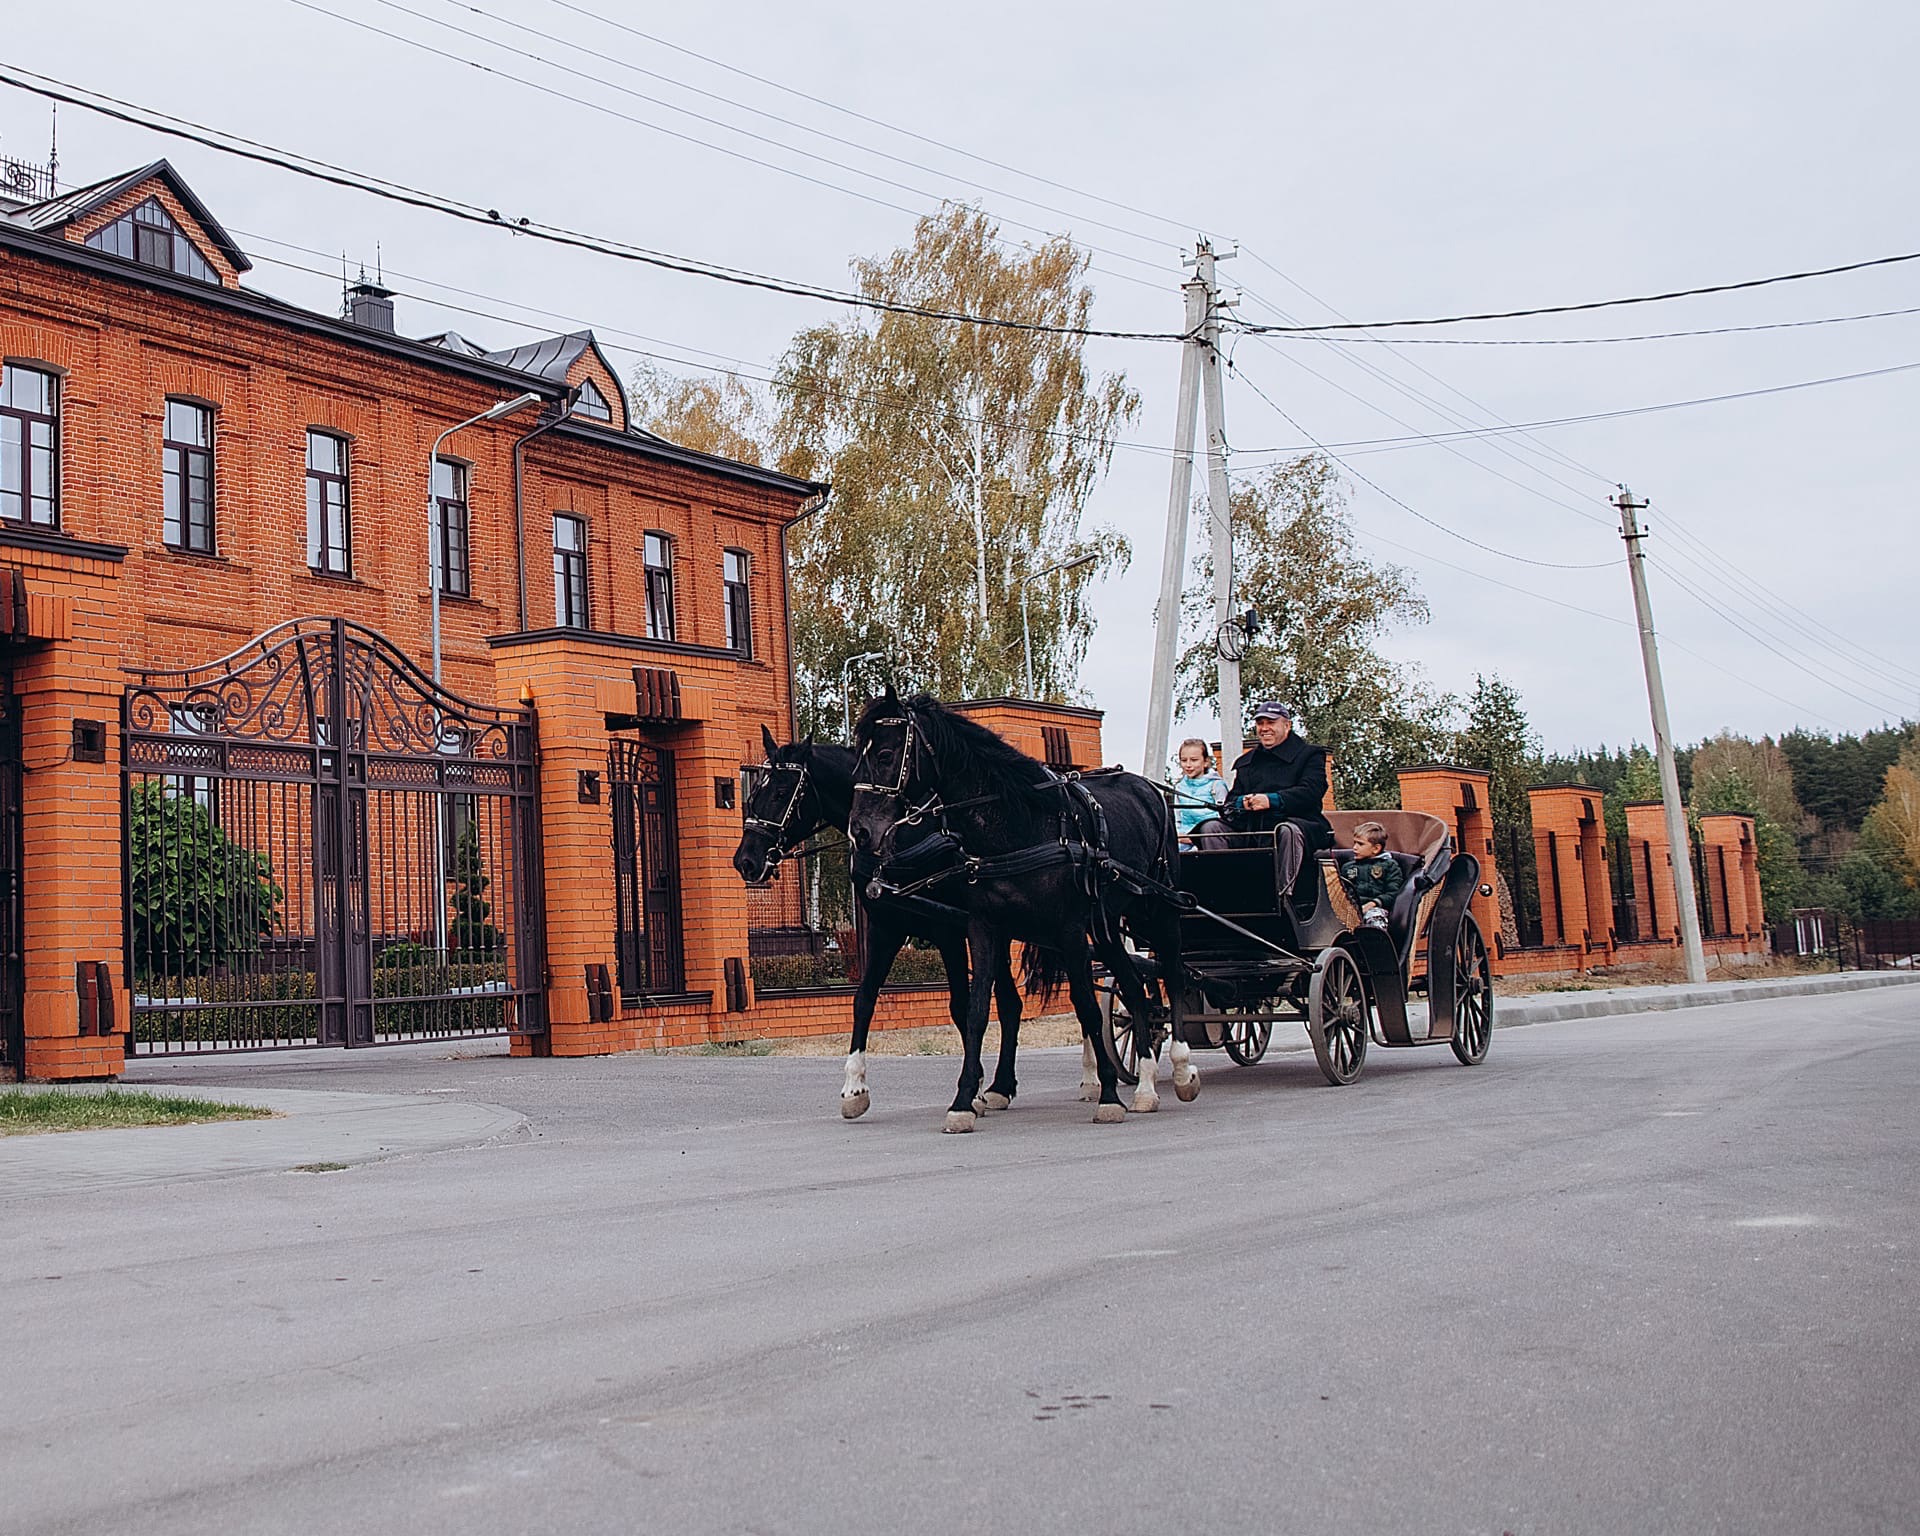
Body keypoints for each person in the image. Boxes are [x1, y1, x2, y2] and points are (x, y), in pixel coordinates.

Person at [1222, 700, 1333, 891]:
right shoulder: (1247, 762)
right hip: (1251, 829)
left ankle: (1284, 895)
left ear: (1287, 725)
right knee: (1212, 828)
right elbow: (1230, 801)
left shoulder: (1309, 755)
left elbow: (1311, 791)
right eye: (1260, 723)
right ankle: (1225, 891)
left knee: (1287, 831)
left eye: (1270, 722)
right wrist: (1243, 803)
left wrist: (1271, 801)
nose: (1264, 728)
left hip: (1300, 824)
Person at [1339, 820, 1406, 932]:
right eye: (1354, 843)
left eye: (1360, 844)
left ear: (1376, 848)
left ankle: (1377, 946)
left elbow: (1394, 892)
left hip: (1376, 908)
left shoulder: (1389, 866)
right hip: (1351, 909)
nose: (1354, 847)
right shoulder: (1348, 867)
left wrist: (1373, 903)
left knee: (1375, 919)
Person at [1171, 737, 1228, 848]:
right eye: (1184, 760)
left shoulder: (1217, 785)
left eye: (1194, 760)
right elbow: (1178, 819)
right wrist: (1179, 836)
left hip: (1209, 842)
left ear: (1206, 762)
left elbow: (1224, 818)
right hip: (1182, 842)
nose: (1188, 765)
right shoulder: (1179, 787)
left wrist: (1196, 839)